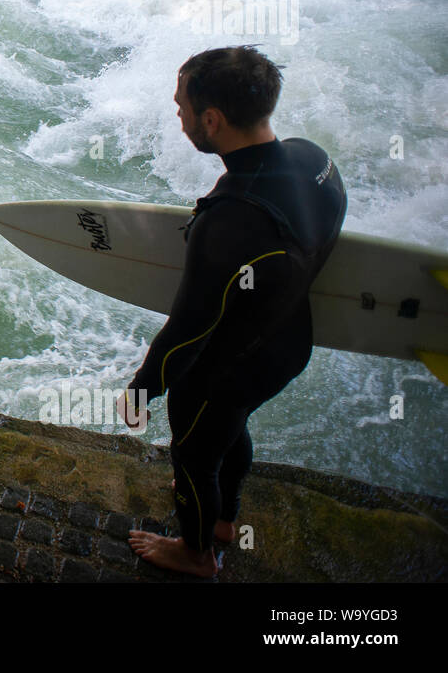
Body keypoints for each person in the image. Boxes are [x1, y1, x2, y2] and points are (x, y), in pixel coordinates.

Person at [120, 47, 346, 577]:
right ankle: (224, 523)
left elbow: (189, 330)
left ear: (212, 120)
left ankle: (197, 553)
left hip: (226, 364)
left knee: (194, 453)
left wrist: (143, 388)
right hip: (286, 346)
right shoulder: (314, 160)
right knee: (229, 426)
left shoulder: (228, 223)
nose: (177, 115)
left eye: (181, 107)